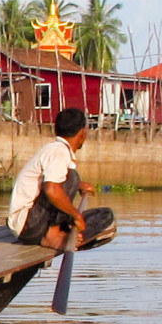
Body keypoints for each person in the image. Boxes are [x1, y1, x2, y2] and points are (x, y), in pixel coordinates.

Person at [7, 107, 116, 250]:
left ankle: (62, 232)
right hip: (29, 225)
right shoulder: (59, 152)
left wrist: (79, 185)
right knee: (72, 177)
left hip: (32, 223)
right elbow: (52, 189)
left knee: (106, 216)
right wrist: (76, 215)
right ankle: (53, 235)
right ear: (83, 133)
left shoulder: (54, 150)